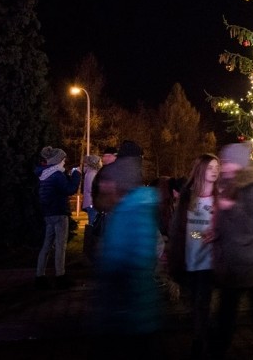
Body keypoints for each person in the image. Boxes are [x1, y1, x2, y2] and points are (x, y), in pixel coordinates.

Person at [91, 140, 162, 357]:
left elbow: (137, 260)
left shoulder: (134, 212)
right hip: (125, 312)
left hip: (133, 313)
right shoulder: (123, 211)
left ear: (118, 185)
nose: (103, 186)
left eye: (107, 182)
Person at [211, 142, 253, 359]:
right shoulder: (226, 185)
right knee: (227, 315)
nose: (224, 166)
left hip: (252, 263)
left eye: (228, 162)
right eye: (224, 162)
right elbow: (223, 223)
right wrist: (214, 234)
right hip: (232, 263)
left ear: (240, 164)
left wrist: (232, 207)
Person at [168, 154, 219, 359]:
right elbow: (180, 229)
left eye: (217, 167)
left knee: (202, 302)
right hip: (189, 259)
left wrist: (216, 233)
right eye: (210, 167)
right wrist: (200, 234)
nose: (215, 170)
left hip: (210, 262)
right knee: (193, 302)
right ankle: (202, 334)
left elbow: (226, 226)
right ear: (200, 170)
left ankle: (199, 341)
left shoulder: (220, 197)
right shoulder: (187, 197)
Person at [35, 146, 81, 290]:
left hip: (48, 214)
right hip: (59, 213)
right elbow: (69, 190)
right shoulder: (56, 175)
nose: (65, 161)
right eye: (63, 159)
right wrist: (76, 175)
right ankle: (60, 276)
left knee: (46, 246)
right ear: (58, 160)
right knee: (61, 246)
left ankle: (39, 276)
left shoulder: (45, 174)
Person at [81, 154, 103, 225]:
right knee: (93, 223)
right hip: (92, 203)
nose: (101, 163)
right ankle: (90, 235)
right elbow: (91, 188)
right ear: (95, 162)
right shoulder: (92, 173)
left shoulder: (91, 173)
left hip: (91, 202)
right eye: (100, 161)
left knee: (93, 222)